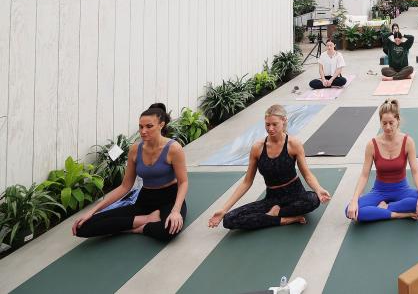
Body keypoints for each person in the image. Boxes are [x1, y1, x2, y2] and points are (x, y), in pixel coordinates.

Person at [73, 103, 188, 241]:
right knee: (82, 227)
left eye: (149, 126)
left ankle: (139, 228)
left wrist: (175, 211)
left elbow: (183, 182)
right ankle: (147, 219)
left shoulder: (174, 149)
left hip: (169, 199)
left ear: (161, 125)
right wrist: (92, 211)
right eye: (141, 126)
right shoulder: (135, 149)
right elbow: (125, 186)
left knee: (169, 230)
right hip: (145, 200)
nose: (143, 131)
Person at [208, 105, 331, 230]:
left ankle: (276, 214)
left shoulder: (294, 144)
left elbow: (307, 174)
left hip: (296, 195)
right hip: (272, 199)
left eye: (274, 124)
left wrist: (319, 189)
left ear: (284, 121)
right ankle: (284, 219)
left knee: (313, 199)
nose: (270, 128)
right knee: (229, 219)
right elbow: (246, 182)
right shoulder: (257, 148)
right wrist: (224, 210)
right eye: (267, 124)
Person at [346, 99, 418, 222]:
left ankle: (384, 209)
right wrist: (354, 200)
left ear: (398, 120)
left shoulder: (408, 142)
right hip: (379, 191)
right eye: (384, 123)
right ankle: (399, 214)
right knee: (350, 211)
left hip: (402, 189)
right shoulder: (372, 145)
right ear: (380, 122)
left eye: (391, 122)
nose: (388, 127)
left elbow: (415, 172)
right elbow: (364, 175)